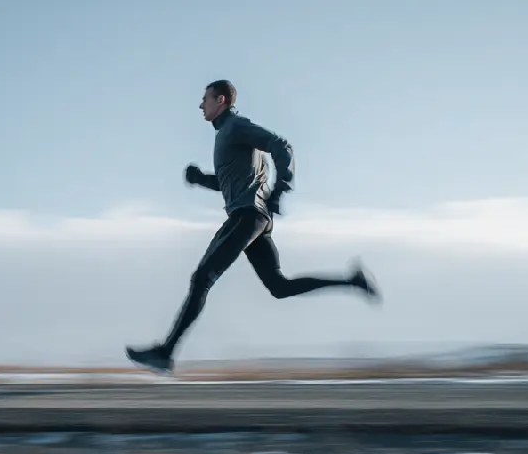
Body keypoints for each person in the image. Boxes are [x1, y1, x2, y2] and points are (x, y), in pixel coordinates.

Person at [125, 80, 381, 375]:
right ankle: (352, 281)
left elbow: (281, 145)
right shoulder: (228, 135)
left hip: (247, 217)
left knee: (201, 279)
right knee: (279, 286)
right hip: (254, 218)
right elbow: (230, 183)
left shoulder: (235, 127)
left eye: (204, 99)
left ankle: (165, 354)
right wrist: (200, 178)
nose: (200, 106)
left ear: (220, 100)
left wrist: (280, 189)